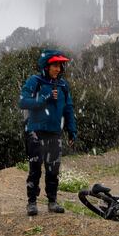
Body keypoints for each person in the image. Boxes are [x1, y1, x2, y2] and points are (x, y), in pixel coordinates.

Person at [19, 49, 77, 216]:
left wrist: (71, 130)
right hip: (35, 132)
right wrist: (44, 99)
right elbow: (23, 102)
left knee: (53, 169)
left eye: (60, 65)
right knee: (35, 168)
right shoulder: (35, 81)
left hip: (54, 132)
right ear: (46, 66)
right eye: (55, 65)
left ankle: (52, 201)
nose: (58, 69)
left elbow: (68, 109)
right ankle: (32, 202)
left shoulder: (63, 86)